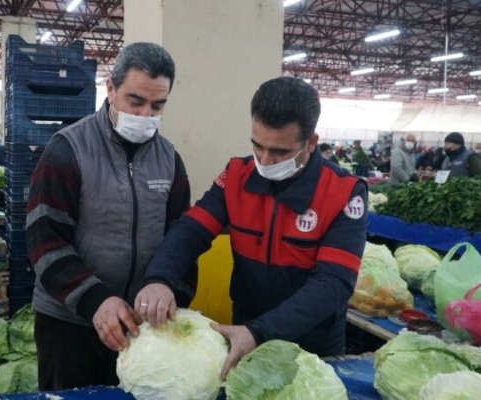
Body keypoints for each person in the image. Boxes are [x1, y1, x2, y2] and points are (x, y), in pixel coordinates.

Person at [135, 77, 368, 379]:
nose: (265, 161)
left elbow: (334, 283)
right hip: (243, 334)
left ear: (311, 142)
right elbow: (191, 230)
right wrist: (159, 278)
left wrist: (261, 331)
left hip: (312, 345)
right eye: (257, 146)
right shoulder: (236, 176)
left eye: (280, 153)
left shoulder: (343, 193)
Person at [26, 42, 196, 390]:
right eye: (136, 101)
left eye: (158, 105)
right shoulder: (68, 149)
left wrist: (169, 289)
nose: (146, 114)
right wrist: (94, 300)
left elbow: (181, 236)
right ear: (111, 89)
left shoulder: (169, 159)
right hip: (71, 325)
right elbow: (44, 240)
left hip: (143, 329)